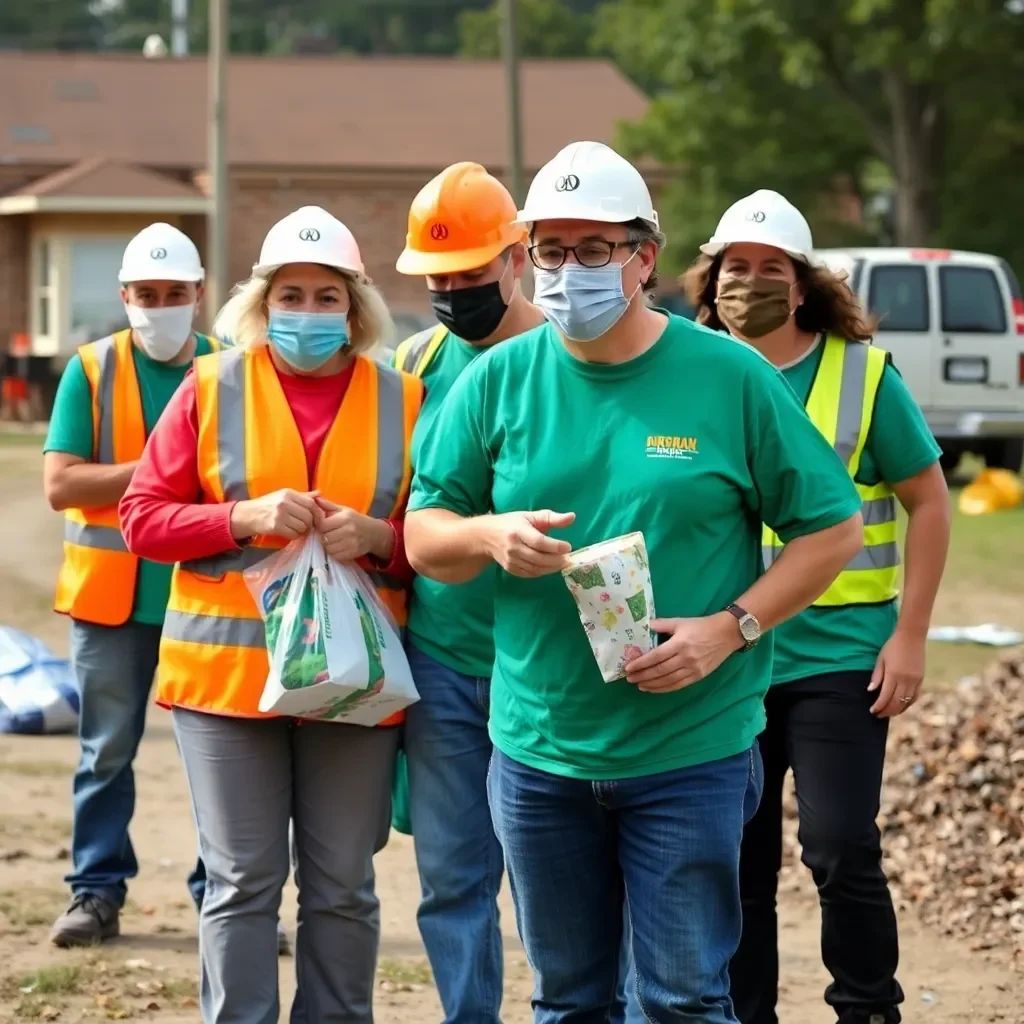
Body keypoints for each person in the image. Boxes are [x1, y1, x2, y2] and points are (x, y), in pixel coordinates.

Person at [403, 141, 867, 1024]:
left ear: (644, 257)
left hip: (690, 751)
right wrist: (486, 534)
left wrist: (730, 627)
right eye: (549, 249)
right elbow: (426, 537)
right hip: (540, 753)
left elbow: (832, 529)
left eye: (593, 250)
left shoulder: (729, 377)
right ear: (523, 255)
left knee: (682, 1000)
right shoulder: (496, 382)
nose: (567, 271)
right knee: (568, 1001)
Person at [119, 206, 423, 1023]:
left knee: (343, 887)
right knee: (242, 883)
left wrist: (380, 538)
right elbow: (141, 519)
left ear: (357, 309)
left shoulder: (408, 399)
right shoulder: (209, 387)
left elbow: (433, 542)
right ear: (262, 303)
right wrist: (239, 519)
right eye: (292, 294)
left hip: (354, 685)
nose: (310, 312)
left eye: (329, 297)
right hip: (226, 684)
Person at [684, 190, 950, 1024]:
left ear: (802, 286)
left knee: (839, 846)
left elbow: (930, 501)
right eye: (737, 268)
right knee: (737, 859)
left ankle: (868, 1008)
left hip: (838, 655)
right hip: (725, 657)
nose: (752, 282)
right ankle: (743, 1013)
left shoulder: (864, 375)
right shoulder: (684, 368)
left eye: (772, 269)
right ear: (711, 278)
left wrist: (909, 636)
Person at [391, 162, 543, 1024]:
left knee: (555, 879)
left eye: (471, 274)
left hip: (548, 668)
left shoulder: (569, 355)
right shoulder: (415, 364)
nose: (453, 292)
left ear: (515, 259)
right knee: (454, 879)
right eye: (438, 279)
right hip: (444, 662)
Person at [43, 223, 215, 948]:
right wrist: (156, 469)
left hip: (204, 604)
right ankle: (94, 892)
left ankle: (225, 897)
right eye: (147, 295)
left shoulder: (231, 368)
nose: (160, 306)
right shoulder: (90, 369)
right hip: (110, 604)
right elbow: (60, 483)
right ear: (125, 296)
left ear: (198, 296)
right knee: (105, 752)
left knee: (219, 761)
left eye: (174, 294)